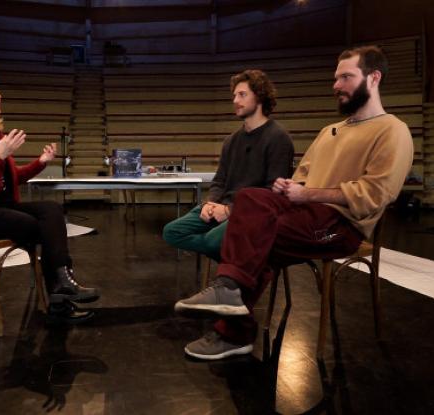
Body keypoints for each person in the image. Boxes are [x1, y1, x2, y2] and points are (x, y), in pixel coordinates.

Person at [174, 46, 414, 360]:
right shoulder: (331, 131)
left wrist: (307, 194)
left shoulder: (393, 131)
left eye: (346, 77)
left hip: (340, 228)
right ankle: (230, 293)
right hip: (304, 215)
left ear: (374, 78)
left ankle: (233, 324)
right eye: (335, 78)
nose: (336, 85)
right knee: (250, 198)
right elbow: (303, 176)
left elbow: (375, 194)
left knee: (260, 236)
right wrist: (289, 187)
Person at [0, 73, 99, 324]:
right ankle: (60, 297)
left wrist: (40, 163)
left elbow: (11, 178)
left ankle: (62, 281)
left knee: (51, 210)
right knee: (37, 226)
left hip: (0, 209)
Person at [162, 69, 294, 262]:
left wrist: (230, 211)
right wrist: (210, 202)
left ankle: (232, 265)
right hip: (221, 207)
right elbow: (220, 180)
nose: (235, 100)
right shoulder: (231, 141)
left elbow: (272, 194)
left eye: (242, 94)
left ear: (259, 96)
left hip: (252, 213)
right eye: (234, 95)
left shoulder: (278, 138)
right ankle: (236, 260)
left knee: (213, 241)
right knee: (172, 232)